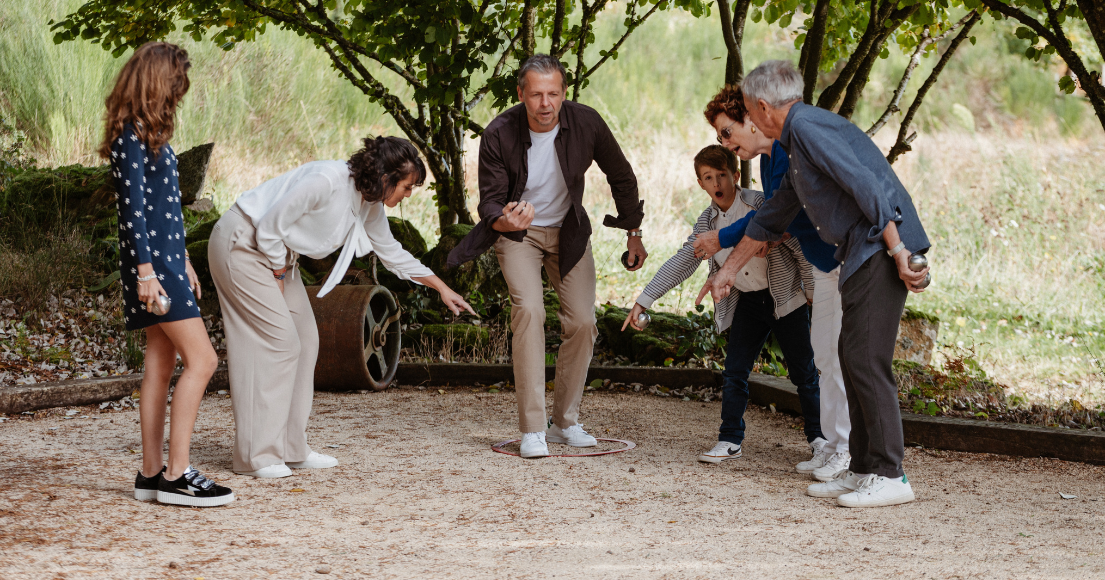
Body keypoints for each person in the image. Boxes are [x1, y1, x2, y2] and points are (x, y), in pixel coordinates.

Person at [698, 60, 930, 508]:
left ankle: (891, 475)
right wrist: (727, 270)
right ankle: (862, 469)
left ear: (762, 107)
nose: (748, 120)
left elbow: (869, 185)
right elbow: (774, 212)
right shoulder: (796, 138)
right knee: (849, 356)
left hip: (877, 249)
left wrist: (899, 251)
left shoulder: (806, 129)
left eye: (747, 111)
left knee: (864, 360)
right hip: (859, 251)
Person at [209, 136, 474, 478]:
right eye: (407, 187)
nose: (408, 195)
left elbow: (391, 251)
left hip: (276, 256)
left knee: (306, 341)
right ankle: (256, 456)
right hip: (242, 244)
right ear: (385, 177)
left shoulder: (370, 203)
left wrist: (441, 287)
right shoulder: (326, 181)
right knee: (279, 343)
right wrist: (276, 275)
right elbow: (272, 224)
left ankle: (291, 447)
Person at [447, 54, 648, 459]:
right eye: (536, 94)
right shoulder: (500, 132)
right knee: (530, 313)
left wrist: (633, 233)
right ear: (521, 94)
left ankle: (564, 423)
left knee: (583, 321)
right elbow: (489, 201)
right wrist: (504, 221)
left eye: (553, 93)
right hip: (518, 234)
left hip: (569, 232)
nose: (545, 103)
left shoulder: (586, 122)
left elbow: (621, 175)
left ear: (564, 93)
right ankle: (533, 428)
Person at [623, 145, 822, 463]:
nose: (717, 183)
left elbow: (797, 243)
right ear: (700, 183)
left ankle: (819, 439)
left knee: (804, 373)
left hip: (786, 299)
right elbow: (683, 261)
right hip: (748, 301)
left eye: (722, 175)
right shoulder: (707, 223)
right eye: (708, 177)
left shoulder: (759, 203)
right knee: (734, 372)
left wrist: (812, 292)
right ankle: (730, 439)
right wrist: (644, 301)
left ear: (736, 175)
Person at [695, 87, 850, 481]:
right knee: (825, 359)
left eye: (727, 133)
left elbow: (778, 215)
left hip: (842, 262)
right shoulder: (769, 160)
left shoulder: (786, 152)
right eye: (719, 138)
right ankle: (833, 447)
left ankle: (845, 450)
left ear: (752, 118)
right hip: (823, 265)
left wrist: (726, 254)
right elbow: (779, 221)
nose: (725, 143)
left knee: (831, 363)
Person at [103, 42, 233, 507]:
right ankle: (177, 475)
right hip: (152, 270)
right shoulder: (130, 137)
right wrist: (147, 274)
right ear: (159, 80)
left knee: (159, 366)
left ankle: (151, 475)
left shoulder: (148, 134)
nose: (181, 90)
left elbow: (164, 211)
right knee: (205, 361)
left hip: (165, 266)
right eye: (177, 81)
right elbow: (133, 213)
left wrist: (185, 263)